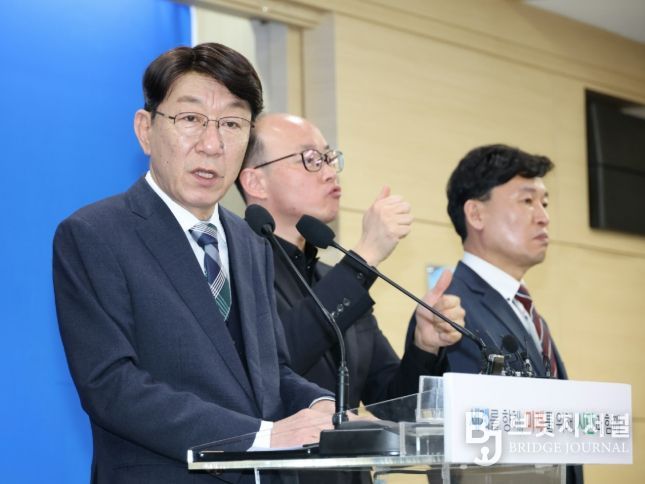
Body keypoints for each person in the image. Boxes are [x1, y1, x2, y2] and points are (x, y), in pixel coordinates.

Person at [52, 44, 336, 484]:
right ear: (145, 130)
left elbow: (270, 372)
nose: (212, 144)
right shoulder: (95, 233)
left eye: (232, 124)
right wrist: (260, 437)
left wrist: (324, 406)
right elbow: (111, 386)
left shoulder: (252, 240)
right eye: (190, 119)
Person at [237, 113, 465, 413]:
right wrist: (366, 254)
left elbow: (392, 405)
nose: (330, 172)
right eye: (310, 159)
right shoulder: (233, 269)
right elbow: (268, 367)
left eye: (329, 158)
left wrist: (425, 346)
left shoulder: (335, 280)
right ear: (256, 182)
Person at [404, 143, 582, 483]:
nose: (543, 216)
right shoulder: (449, 311)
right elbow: (425, 415)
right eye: (527, 201)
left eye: (544, 203)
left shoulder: (523, 308)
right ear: (476, 214)